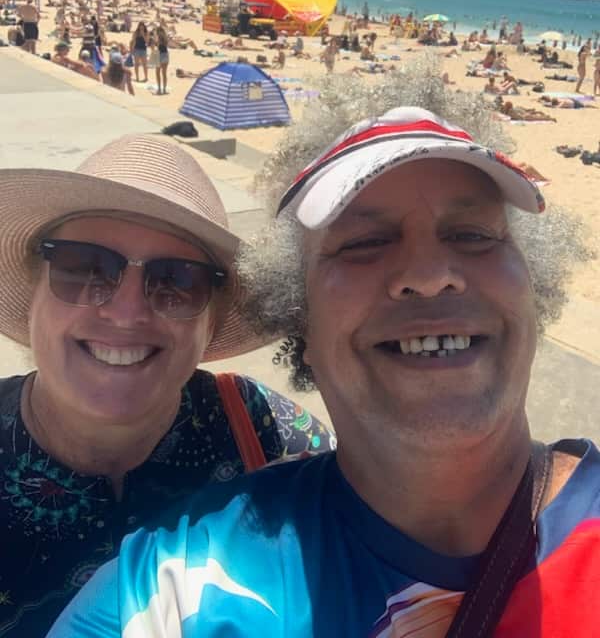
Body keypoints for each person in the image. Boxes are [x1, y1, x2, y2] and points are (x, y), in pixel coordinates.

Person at [49, 83, 597, 637]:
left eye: (474, 235)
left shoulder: (261, 430)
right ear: (299, 319)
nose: (431, 276)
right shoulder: (175, 591)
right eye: (363, 243)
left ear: (534, 287)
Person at [0, 133, 334, 636]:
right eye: (85, 268)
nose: (126, 311)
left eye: (177, 281)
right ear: (33, 295)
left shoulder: (269, 437)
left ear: (212, 324)